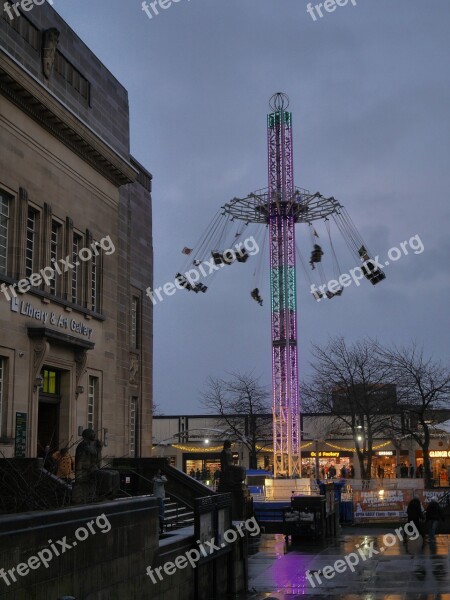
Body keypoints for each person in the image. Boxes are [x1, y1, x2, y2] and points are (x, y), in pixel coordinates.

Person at [153, 469, 168, 535]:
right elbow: (165, 480)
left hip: (157, 496)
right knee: (161, 512)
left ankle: (161, 528)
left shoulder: (156, 480)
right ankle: (161, 528)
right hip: (159, 497)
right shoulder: (158, 481)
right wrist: (161, 476)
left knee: (161, 512)